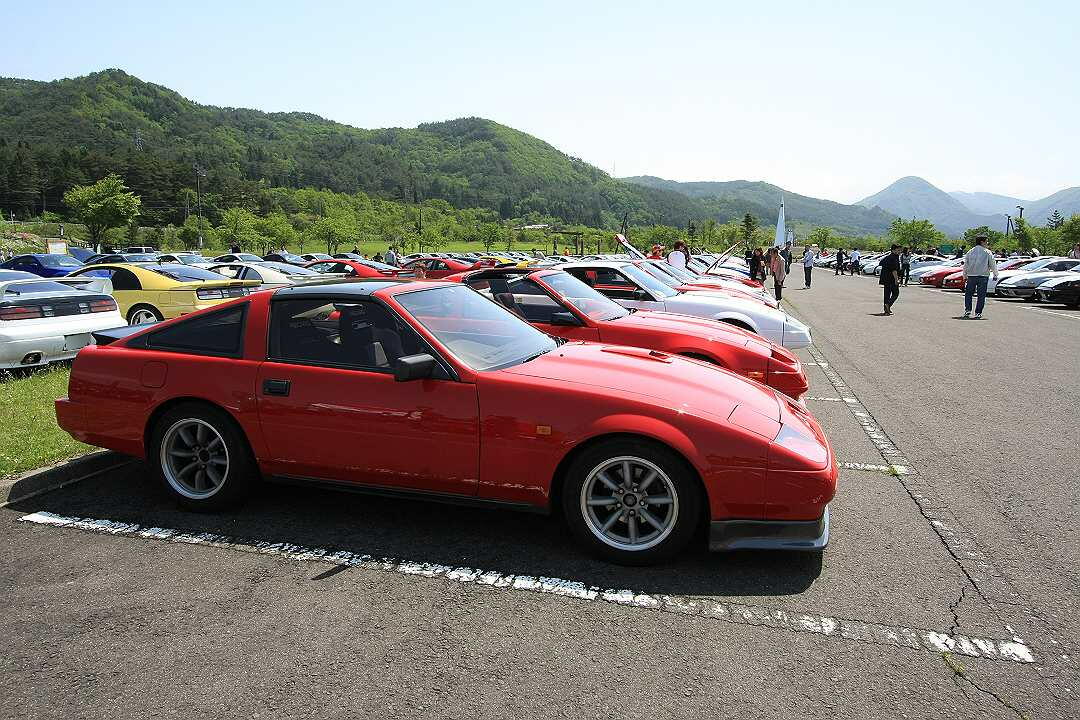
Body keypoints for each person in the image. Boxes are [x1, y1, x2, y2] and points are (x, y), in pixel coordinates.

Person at [962, 233, 999, 319]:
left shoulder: (970, 252)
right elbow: (992, 264)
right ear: (982, 242)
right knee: (981, 295)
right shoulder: (987, 252)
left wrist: (964, 275)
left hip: (971, 276)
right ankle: (978, 312)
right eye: (986, 241)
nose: (987, 243)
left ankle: (968, 310)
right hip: (983, 276)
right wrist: (995, 274)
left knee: (968, 294)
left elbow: (966, 265)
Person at [879, 245, 902, 314]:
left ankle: (886, 309)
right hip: (891, 279)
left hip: (885, 279)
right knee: (896, 293)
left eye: (900, 250)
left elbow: (881, 263)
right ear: (893, 250)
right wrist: (896, 279)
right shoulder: (894, 258)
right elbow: (894, 270)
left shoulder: (887, 257)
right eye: (898, 250)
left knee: (887, 294)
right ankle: (888, 305)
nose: (899, 252)